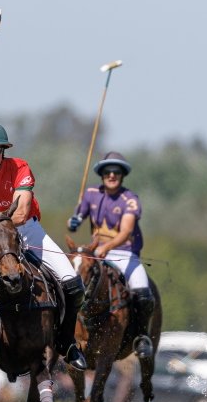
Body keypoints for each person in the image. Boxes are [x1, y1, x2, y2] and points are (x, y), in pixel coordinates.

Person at [0, 121, 87, 370]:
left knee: (73, 285)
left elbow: (20, 212)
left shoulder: (19, 167)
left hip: (27, 230)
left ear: (4, 151)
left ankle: (67, 342)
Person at [66, 151, 155, 359]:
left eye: (116, 172)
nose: (111, 175)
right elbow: (79, 214)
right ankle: (63, 332)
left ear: (122, 175)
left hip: (124, 254)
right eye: (107, 171)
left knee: (143, 292)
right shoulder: (91, 194)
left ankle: (141, 337)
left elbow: (125, 232)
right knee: (69, 283)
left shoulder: (130, 199)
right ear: (102, 174)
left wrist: (107, 247)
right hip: (95, 255)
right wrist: (75, 221)